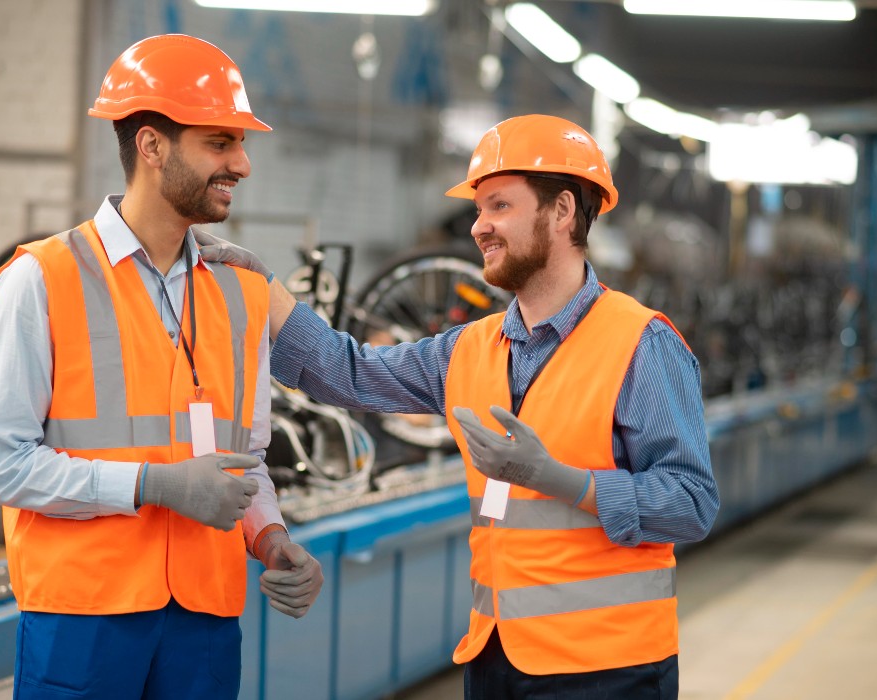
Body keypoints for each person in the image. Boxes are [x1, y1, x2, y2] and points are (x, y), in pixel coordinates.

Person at [201, 114, 720, 699]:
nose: (479, 227)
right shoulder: (469, 350)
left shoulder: (640, 343)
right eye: (478, 211)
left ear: (563, 211)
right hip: (495, 658)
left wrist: (563, 481)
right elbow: (348, 372)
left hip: (607, 670)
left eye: (498, 206)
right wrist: (264, 287)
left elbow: (692, 504)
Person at [0, 34, 323, 700]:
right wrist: (151, 486)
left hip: (206, 623)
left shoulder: (242, 292)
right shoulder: (40, 280)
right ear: (152, 146)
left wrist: (272, 538)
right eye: (220, 143)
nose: (243, 164)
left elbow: (243, 460)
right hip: (82, 619)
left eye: (241, 144)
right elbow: (1, 465)